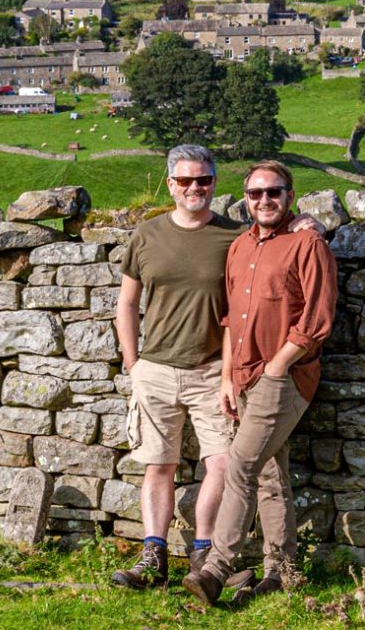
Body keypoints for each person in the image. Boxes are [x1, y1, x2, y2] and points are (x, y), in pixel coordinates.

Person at [183, 159, 339, 608]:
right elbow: (231, 319)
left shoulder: (307, 243)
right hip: (243, 376)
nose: (265, 200)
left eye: (274, 192)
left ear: (290, 196)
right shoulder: (240, 247)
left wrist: (277, 367)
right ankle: (282, 570)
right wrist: (227, 378)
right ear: (246, 199)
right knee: (270, 473)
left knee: (240, 464)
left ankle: (215, 569)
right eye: (256, 193)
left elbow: (317, 319)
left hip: (283, 376)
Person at [109, 144, 243, 589]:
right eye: (185, 180)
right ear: (170, 184)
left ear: (214, 183)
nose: (194, 188)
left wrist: (306, 223)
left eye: (202, 180)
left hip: (213, 370)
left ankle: (204, 556)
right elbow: (126, 302)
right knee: (158, 465)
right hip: (156, 369)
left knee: (221, 463)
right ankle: (153, 558)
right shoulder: (146, 235)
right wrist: (133, 362)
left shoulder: (234, 237)